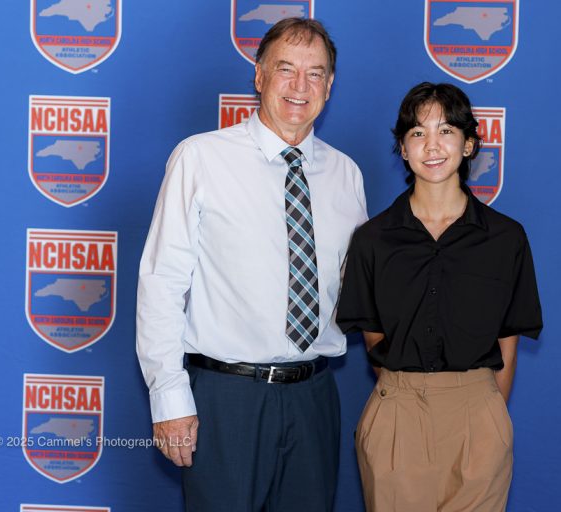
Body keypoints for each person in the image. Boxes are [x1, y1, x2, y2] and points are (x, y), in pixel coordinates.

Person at [136, 18, 367, 512]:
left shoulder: (346, 174)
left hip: (314, 396)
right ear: (259, 75)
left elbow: (357, 287)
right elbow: (162, 283)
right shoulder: (200, 158)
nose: (300, 85)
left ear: (329, 85)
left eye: (315, 73)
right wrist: (169, 397)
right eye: (285, 69)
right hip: (227, 399)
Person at [336, 82, 542, 512]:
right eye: (418, 133)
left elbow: (508, 340)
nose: (432, 145)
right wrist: (408, 391)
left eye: (446, 131)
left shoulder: (505, 238)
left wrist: (484, 412)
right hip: (397, 412)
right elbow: (374, 338)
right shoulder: (373, 240)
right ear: (403, 148)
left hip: (478, 413)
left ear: (468, 144)